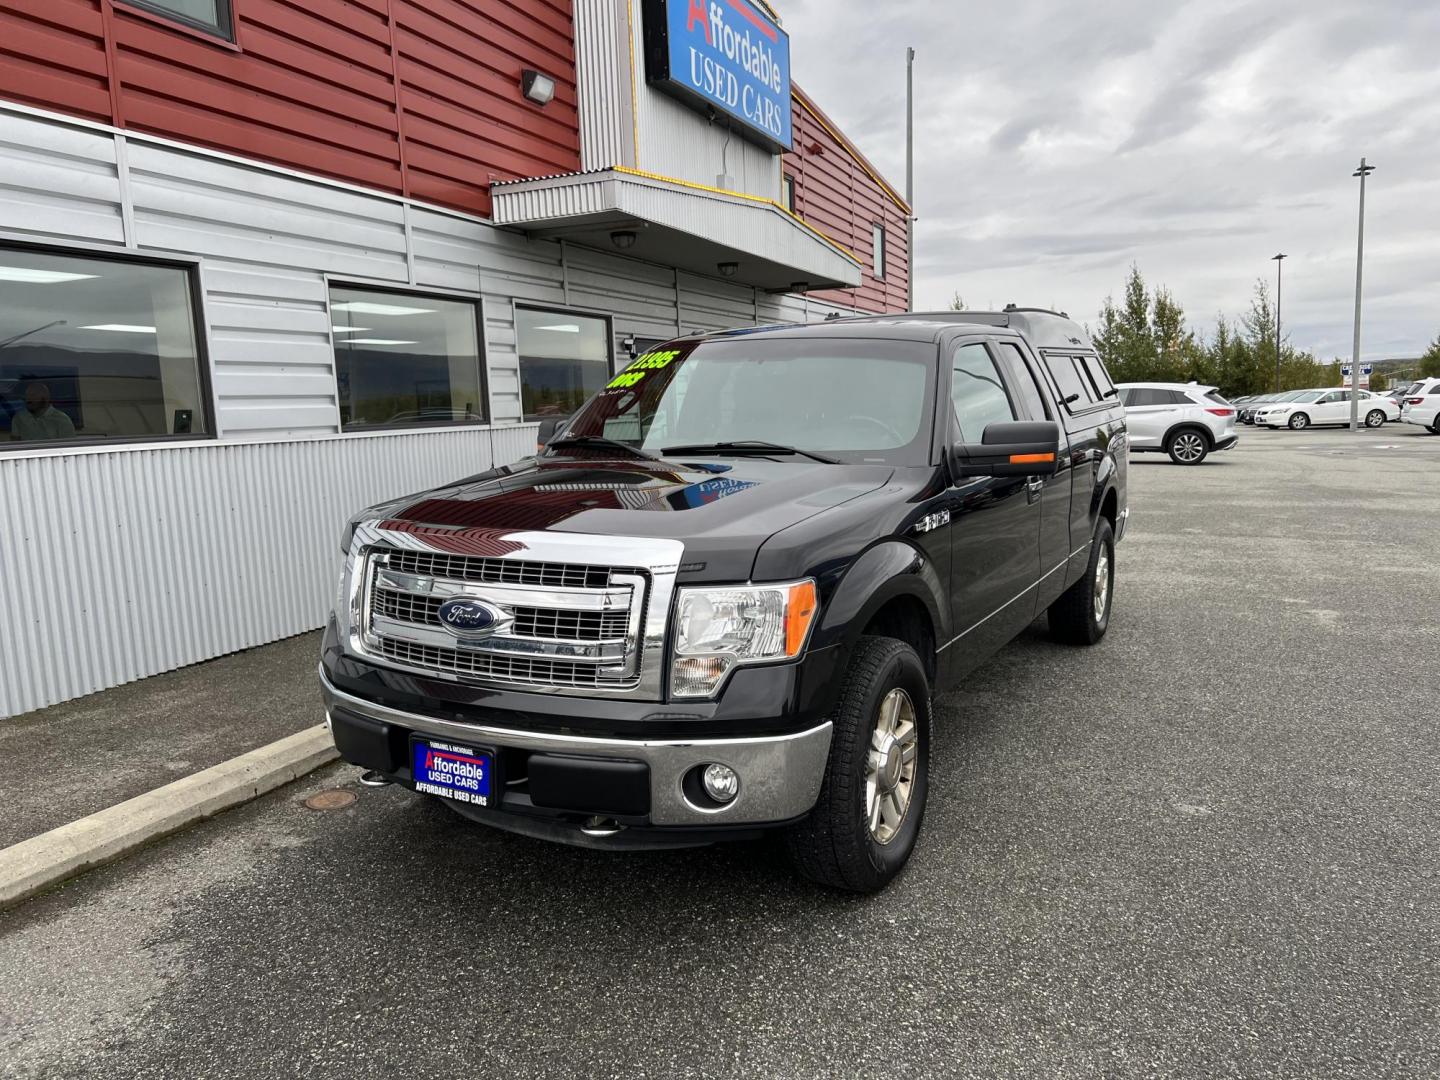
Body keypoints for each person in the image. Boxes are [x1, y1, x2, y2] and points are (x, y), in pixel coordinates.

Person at [11, 383, 76, 441]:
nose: (28, 399)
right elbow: (14, 443)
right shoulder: (19, 418)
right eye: (27, 395)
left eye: (33, 395)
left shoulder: (62, 419)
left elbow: (69, 447)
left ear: (46, 398)